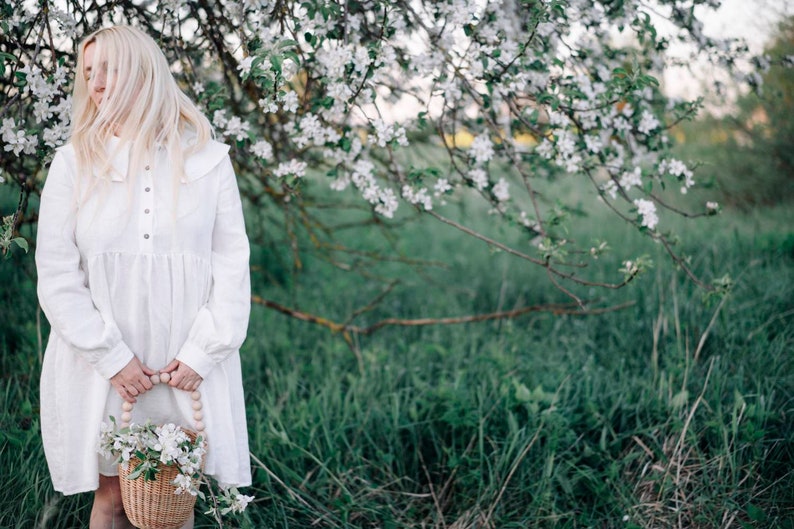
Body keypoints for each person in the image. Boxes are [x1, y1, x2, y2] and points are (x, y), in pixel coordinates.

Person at [36, 25, 251, 528]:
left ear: (144, 71)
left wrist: (203, 354)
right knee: (113, 500)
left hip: (185, 362)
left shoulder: (209, 163)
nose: (97, 83)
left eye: (109, 68)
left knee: (172, 504)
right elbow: (57, 273)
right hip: (105, 359)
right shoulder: (73, 165)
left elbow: (231, 267)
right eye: (88, 72)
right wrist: (112, 357)